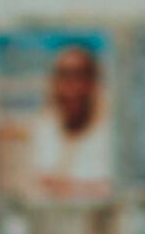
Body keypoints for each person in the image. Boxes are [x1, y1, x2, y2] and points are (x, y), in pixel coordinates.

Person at [24, 40, 115, 198]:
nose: (71, 85)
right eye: (64, 74)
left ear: (92, 81)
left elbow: (110, 188)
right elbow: (33, 184)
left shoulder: (110, 131)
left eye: (79, 75)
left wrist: (64, 186)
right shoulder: (43, 126)